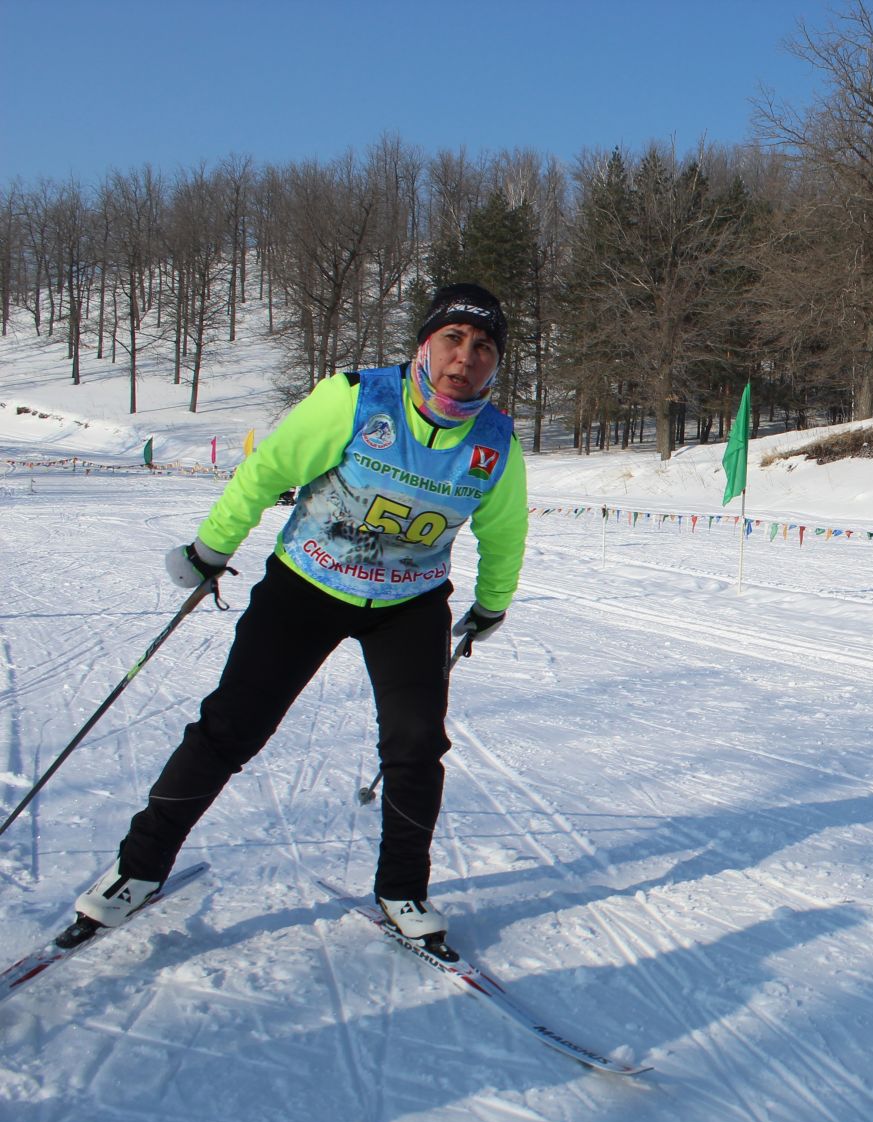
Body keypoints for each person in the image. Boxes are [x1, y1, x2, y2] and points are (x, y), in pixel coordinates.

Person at [68, 283, 528, 957]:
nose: (466, 358)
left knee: (415, 745)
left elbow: (504, 532)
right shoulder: (356, 397)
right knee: (231, 727)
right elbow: (267, 470)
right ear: (424, 345)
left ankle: (402, 889)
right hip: (309, 583)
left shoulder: (495, 442)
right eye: (453, 339)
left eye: (483, 347)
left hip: (408, 603)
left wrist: (491, 605)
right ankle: (137, 869)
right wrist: (210, 550)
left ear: (495, 363)